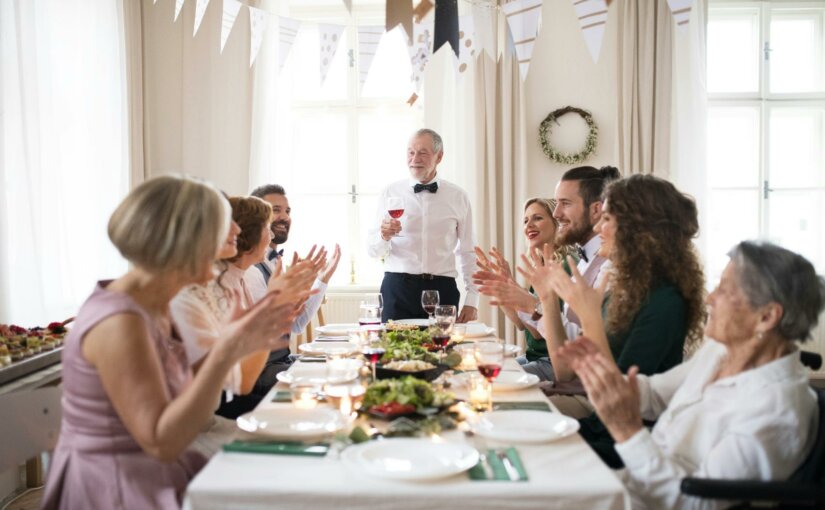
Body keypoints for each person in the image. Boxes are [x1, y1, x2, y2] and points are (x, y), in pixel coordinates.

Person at [41, 176, 297, 509]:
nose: (236, 233)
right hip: (117, 487)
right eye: (224, 225)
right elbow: (163, 443)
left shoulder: (155, 303)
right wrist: (227, 351)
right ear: (183, 239)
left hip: (160, 468)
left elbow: (203, 383)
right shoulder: (120, 322)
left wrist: (247, 335)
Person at [558, 241, 823, 510]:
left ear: (766, 317)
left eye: (725, 289)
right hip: (632, 484)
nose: (710, 298)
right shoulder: (719, 352)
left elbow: (695, 502)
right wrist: (603, 379)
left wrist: (627, 430)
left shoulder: (778, 410)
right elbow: (653, 393)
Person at [518, 174, 707, 465]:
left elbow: (618, 402)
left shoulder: (664, 301)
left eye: (607, 218)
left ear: (637, 228)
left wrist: (590, 315)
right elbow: (566, 373)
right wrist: (548, 298)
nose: (598, 227)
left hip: (624, 441)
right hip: (599, 424)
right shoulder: (626, 287)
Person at [172, 196, 317, 421]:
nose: (271, 236)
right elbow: (241, 379)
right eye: (266, 228)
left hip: (234, 389)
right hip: (220, 403)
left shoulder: (239, 276)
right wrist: (274, 306)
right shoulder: (210, 286)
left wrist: (282, 310)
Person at [368, 128, 478, 323]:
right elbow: (373, 251)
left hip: (443, 289)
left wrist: (472, 300)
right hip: (397, 289)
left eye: (422, 152)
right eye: (411, 152)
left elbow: (468, 251)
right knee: (394, 353)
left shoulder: (458, 196)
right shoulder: (390, 192)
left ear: (439, 156)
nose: (414, 158)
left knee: (444, 351)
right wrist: (384, 236)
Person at [243, 184, 340, 397]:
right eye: (275, 210)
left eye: (287, 211)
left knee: (343, 362)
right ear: (255, 218)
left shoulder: (275, 263)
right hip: (261, 370)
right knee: (337, 376)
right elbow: (257, 333)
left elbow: (295, 324)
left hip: (282, 360)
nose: (285, 217)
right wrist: (286, 296)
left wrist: (321, 280)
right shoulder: (250, 271)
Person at [474, 198, 573, 381]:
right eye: (526, 220)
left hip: (554, 362)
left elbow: (538, 333)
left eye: (537, 218)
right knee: (477, 370)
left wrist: (510, 288)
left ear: (556, 223)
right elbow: (522, 325)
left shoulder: (565, 266)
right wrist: (500, 288)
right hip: (534, 357)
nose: (529, 225)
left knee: (492, 379)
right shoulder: (541, 265)